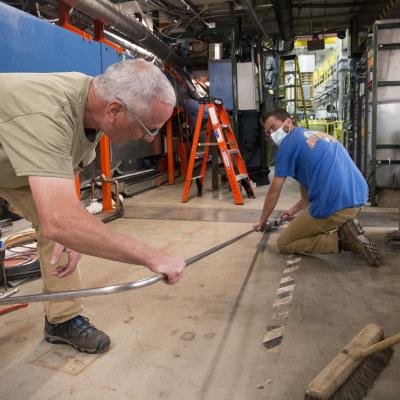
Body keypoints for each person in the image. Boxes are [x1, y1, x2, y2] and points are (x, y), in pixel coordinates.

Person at [0, 59, 185, 354]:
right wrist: (152, 256)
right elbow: (59, 220)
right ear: (115, 110)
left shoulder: (94, 105)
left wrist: (71, 229)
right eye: (148, 129)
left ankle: (63, 319)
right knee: (60, 226)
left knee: (60, 233)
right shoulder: (48, 111)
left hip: (10, 164)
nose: (150, 138)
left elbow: (62, 186)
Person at [253, 109, 380, 267]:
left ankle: (341, 239)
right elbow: (307, 192)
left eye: (273, 127)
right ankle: (344, 226)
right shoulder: (314, 135)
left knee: (284, 243)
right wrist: (292, 211)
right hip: (359, 198)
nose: (272, 133)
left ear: (288, 121)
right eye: (268, 132)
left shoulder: (287, 146)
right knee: (307, 206)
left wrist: (262, 220)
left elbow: (273, 192)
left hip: (337, 205)